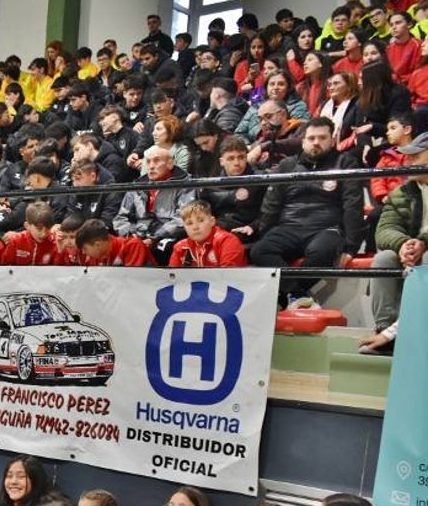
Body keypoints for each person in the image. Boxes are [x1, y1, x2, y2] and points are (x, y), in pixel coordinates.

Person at [248, 117, 364, 308]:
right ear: (303, 141)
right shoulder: (287, 166)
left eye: (322, 138)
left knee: (322, 251)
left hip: (326, 228)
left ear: (332, 140)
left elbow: (353, 205)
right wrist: (266, 233)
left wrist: (351, 247)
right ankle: (297, 294)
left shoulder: (345, 162)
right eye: (311, 138)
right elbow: (271, 205)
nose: (316, 142)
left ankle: (288, 294)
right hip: (289, 227)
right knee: (259, 250)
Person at [359, 131, 428, 355]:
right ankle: (386, 332)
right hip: (411, 250)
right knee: (383, 259)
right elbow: (385, 229)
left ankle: (414, 332)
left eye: (416, 156)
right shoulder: (403, 192)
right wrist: (402, 244)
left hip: (425, 251)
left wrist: (423, 244)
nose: (408, 161)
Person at [112, 146, 197, 263]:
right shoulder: (137, 186)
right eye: (148, 162)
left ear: (170, 164)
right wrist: (132, 235)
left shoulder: (185, 184)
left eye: (156, 160)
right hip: (137, 235)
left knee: (164, 248)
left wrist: (155, 238)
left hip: (167, 236)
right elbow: (120, 218)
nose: (151, 166)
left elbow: (182, 218)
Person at [168, 200, 248, 267]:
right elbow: (171, 280)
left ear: (212, 221)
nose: (195, 227)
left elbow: (228, 278)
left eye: (201, 220)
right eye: (189, 223)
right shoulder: (180, 247)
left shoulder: (228, 241)